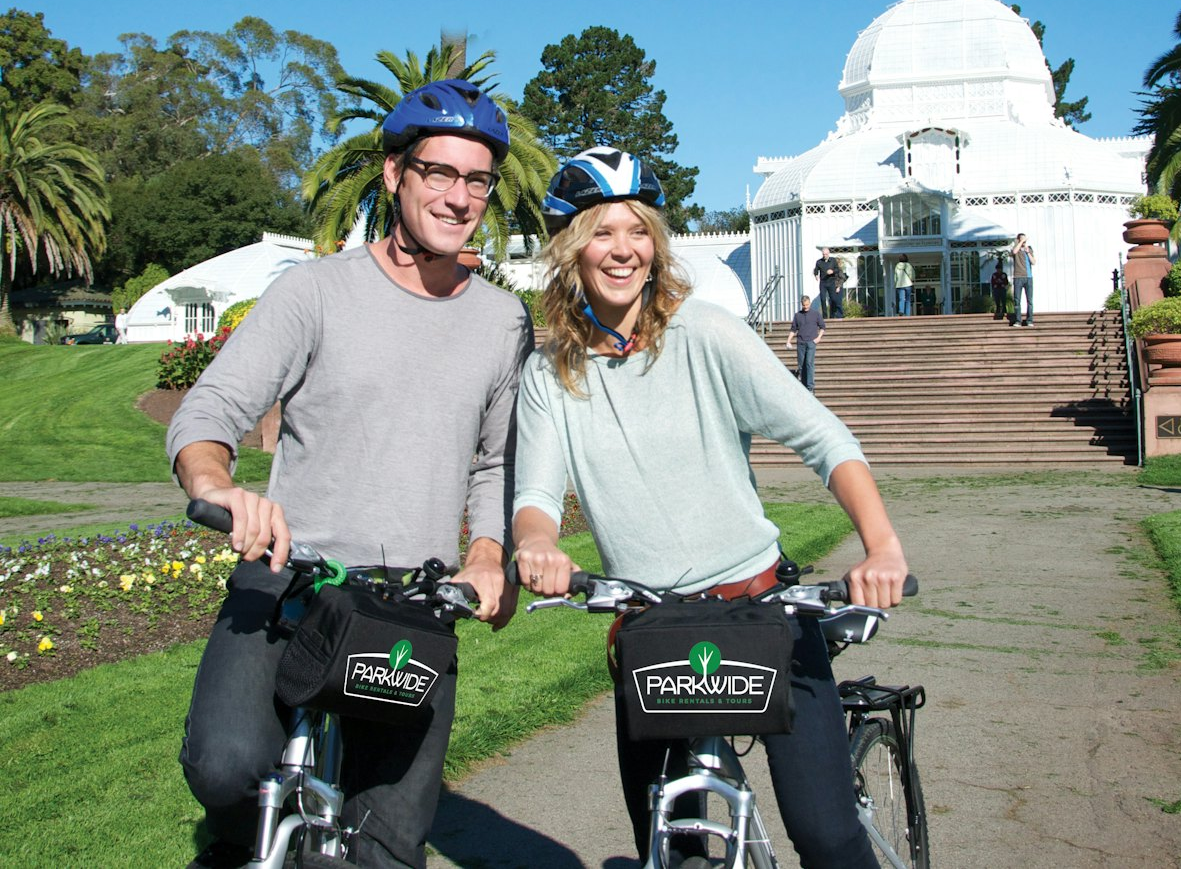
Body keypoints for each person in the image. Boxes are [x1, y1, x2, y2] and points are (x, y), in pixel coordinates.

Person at [167, 80, 534, 869]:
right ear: (395, 173)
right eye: (439, 172)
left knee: (388, 846)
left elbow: (498, 461)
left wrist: (487, 553)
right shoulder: (315, 292)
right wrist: (217, 487)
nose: (458, 196)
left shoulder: (503, 321)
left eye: (477, 180)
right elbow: (209, 414)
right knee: (226, 770)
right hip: (290, 583)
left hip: (413, 604)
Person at [512, 147, 909, 869]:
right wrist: (536, 542)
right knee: (670, 843)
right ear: (572, 248)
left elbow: (823, 438)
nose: (622, 249)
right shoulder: (551, 372)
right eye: (602, 231)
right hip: (651, 626)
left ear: (657, 246)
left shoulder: (711, 334)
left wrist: (881, 546)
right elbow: (536, 496)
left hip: (760, 610)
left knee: (824, 834)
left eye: (638, 230)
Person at [785, 293, 825, 391]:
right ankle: (803, 386)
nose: (805, 307)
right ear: (801, 304)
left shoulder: (816, 314)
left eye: (807, 305)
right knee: (801, 365)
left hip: (811, 342)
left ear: (810, 303)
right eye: (804, 305)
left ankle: (810, 387)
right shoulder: (798, 315)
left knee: (809, 363)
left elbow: (822, 327)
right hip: (801, 342)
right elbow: (793, 329)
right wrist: (788, 341)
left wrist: (819, 337)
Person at [1011, 233, 1036, 326]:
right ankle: (1018, 320)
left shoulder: (1029, 249)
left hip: (1028, 278)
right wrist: (1020, 241)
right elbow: (1014, 252)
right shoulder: (1016, 249)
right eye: (1022, 240)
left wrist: (1028, 252)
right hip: (1018, 277)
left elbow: (1033, 262)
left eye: (1025, 240)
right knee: (1017, 300)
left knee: (1029, 300)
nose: (1024, 242)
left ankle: (1029, 320)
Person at [813, 246, 845, 319]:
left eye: (826, 254)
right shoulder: (819, 262)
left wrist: (832, 271)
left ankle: (833, 315)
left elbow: (837, 270)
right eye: (823, 254)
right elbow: (815, 270)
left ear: (829, 253)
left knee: (833, 299)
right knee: (823, 299)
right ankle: (825, 317)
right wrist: (816, 275)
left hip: (831, 282)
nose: (825, 256)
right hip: (823, 283)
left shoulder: (833, 261)